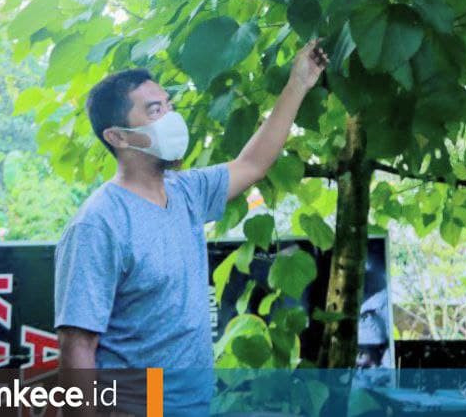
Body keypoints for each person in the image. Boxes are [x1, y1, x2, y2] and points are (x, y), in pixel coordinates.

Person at [54, 37, 329, 416]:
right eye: (154, 111)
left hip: (193, 403)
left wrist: (299, 82)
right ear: (117, 136)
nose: (170, 118)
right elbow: (77, 346)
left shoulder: (186, 191)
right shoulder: (98, 224)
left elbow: (252, 164)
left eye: (169, 105)